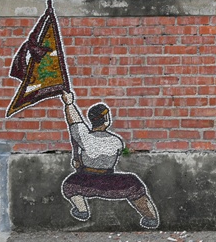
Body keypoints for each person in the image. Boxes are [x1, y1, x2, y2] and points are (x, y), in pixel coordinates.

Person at [60, 91, 159, 229]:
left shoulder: (85, 138)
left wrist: (69, 103)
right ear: (106, 120)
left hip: (86, 181)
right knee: (134, 185)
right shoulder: (116, 141)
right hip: (110, 181)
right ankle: (151, 217)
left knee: (69, 185)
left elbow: (75, 122)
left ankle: (82, 210)